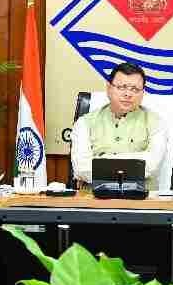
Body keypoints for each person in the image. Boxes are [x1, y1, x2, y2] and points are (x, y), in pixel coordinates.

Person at [70, 62, 167, 190]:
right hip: (94, 197)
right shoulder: (84, 123)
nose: (128, 94)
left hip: (141, 198)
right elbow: (81, 168)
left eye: (135, 89)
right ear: (109, 88)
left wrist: (102, 159)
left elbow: (152, 165)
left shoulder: (156, 122)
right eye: (122, 87)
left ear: (143, 93)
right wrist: (135, 162)